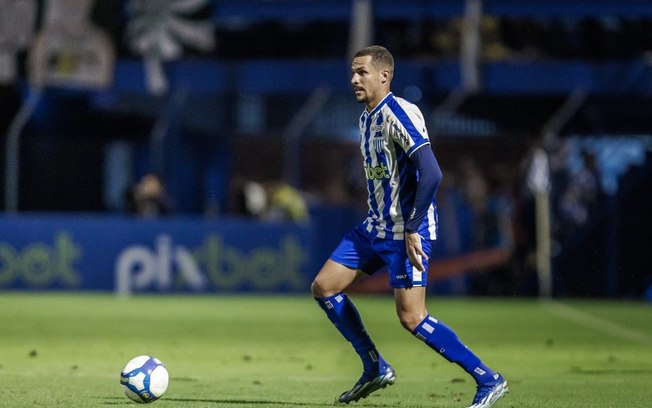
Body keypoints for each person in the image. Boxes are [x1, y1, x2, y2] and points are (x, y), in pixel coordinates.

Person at [311, 45, 508, 408]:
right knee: (324, 287)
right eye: (353, 73)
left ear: (384, 76)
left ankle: (488, 378)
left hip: (406, 232)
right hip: (374, 228)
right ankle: (374, 366)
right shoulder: (365, 118)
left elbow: (432, 173)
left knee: (412, 317)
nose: (354, 79)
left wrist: (414, 225)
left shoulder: (398, 113)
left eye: (362, 73)